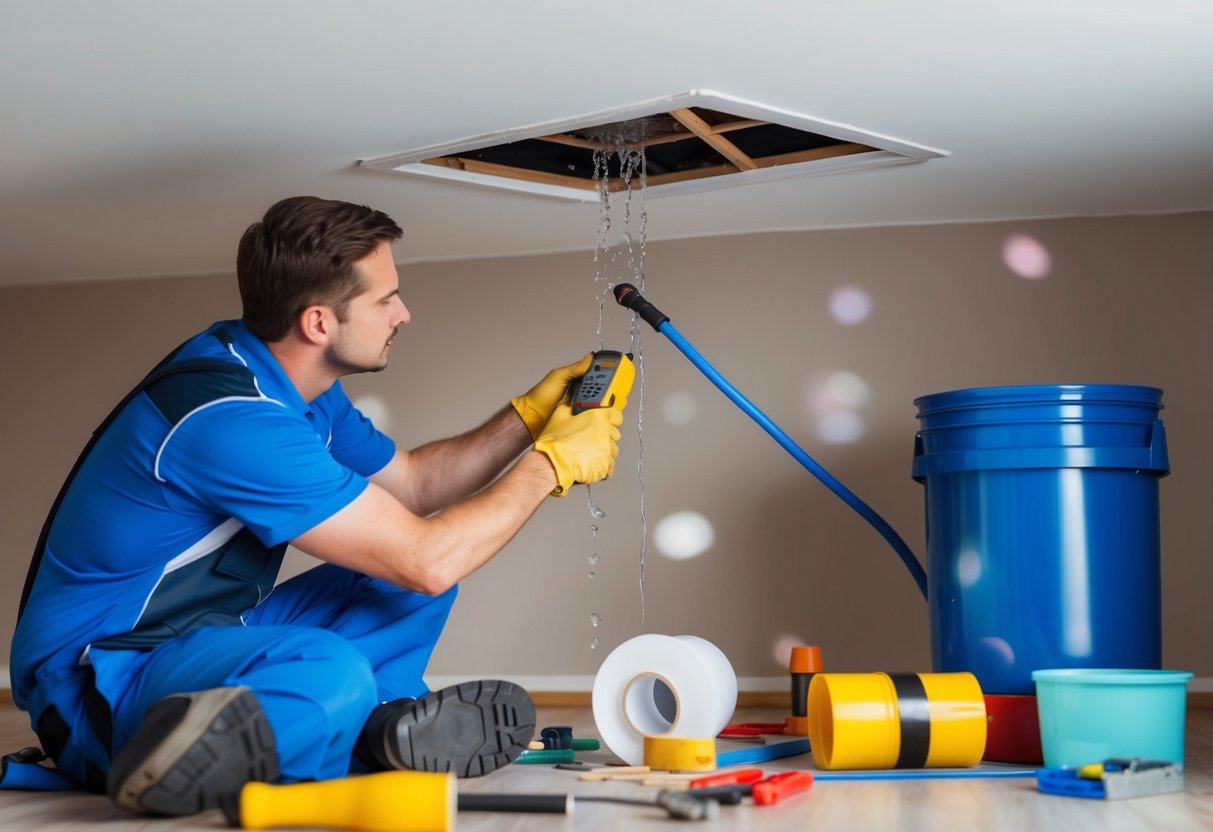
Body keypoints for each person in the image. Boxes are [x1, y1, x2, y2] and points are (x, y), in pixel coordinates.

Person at [7, 196, 627, 816]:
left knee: (403, 591)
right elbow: (428, 557)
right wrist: (552, 466)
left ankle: (366, 728)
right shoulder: (233, 422)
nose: (403, 314)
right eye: (385, 300)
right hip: (103, 679)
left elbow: (413, 484)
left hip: (199, 638)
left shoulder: (289, 380)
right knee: (334, 667)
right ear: (318, 323)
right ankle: (332, 734)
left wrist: (528, 419)